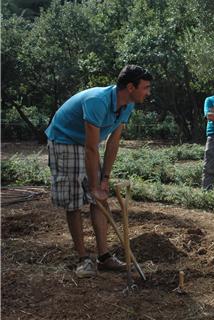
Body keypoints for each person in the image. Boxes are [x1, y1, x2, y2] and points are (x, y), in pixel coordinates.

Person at [45, 65, 153, 277]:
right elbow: (91, 147)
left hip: (86, 144)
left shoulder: (128, 105)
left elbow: (113, 143)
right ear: (131, 87)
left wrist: (104, 179)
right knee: (74, 201)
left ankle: (104, 257)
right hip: (65, 140)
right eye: (146, 87)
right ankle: (83, 259)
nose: (148, 93)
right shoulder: (98, 101)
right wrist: (93, 186)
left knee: (100, 199)